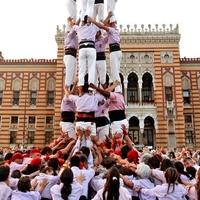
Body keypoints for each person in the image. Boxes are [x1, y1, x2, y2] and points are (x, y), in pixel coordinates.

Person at [88, 13, 122, 93]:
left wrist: (93, 20)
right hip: (99, 58)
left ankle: (115, 90)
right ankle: (94, 93)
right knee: (95, 78)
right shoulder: (93, 39)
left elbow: (102, 26)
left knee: (110, 74)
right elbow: (102, 25)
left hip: (108, 55)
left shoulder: (107, 35)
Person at [72, 16, 98, 88]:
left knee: (81, 70)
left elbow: (73, 25)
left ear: (83, 21)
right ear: (89, 21)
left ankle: (80, 89)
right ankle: (91, 88)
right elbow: (101, 25)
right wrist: (93, 21)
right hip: (91, 47)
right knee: (91, 68)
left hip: (82, 49)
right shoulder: (93, 27)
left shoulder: (79, 28)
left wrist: (79, 18)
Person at [63, 18, 78, 91]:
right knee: (69, 76)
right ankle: (67, 93)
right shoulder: (69, 35)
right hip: (69, 55)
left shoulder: (75, 37)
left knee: (73, 77)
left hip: (73, 56)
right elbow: (75, 28)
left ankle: (71, 92)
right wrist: (80, 17)